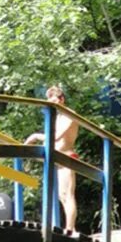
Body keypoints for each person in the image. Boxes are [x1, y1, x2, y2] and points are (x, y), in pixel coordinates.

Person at [24, 85, 80, 233]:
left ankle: (70, 228)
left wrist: (36, 136)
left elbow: (56, 136)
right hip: (56, 158)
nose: (51, 103)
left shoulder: (69, 115)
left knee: (68, 195)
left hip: (67, 157)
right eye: (49, 100)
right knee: (61, 195)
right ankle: (69, 227)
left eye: (54, 99)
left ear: (62, 99)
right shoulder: (58, 117)